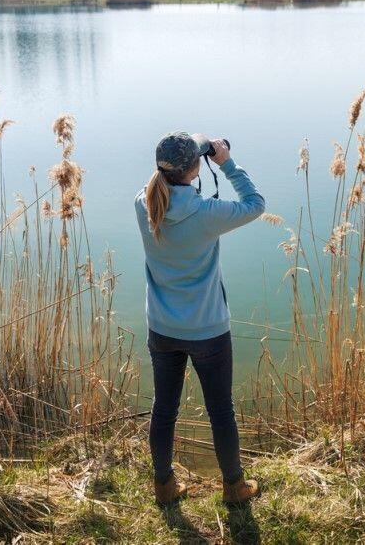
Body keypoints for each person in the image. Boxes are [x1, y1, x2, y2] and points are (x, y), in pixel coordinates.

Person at [134, 131, 265, 506]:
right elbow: (256, 204)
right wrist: (226, 163)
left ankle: (163, 485)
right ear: (196, 169)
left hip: (162, 328)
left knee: (164, 407)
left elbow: (159, 182)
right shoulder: (208, 213)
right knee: (221, 411)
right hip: (207, 332)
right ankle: (234, 487)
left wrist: (186, 154)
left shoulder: (144, 206)